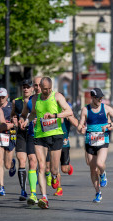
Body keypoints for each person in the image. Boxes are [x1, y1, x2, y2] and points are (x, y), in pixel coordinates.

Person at [21, 77, 73, 209]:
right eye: (45, 89)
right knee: (41, 166)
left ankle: (55, 176)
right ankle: (44, 197)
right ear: (39, 88)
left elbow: (69, 111)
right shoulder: (34, 99)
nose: (47, 91)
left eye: (49, 89)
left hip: (56, 135)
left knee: (54, 168)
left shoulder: (57, 96)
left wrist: (54, 115)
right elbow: (33, 114)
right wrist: (26, 120)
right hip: (40, 135)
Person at [77, 88, 113, 203]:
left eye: (102, 97)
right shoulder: (85, 110)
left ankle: (103, 173)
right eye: (98, 98)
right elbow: (80, 125)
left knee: (99, 163)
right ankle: (98, 193)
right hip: (90, 141)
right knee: (92, 169)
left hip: (103, 140)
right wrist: (80, 129)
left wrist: (109, 124)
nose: (101, 99)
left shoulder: (106, 108)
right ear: (92, 97)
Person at [18, 77, 42, 205]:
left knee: (48, 167)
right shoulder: (29, 100)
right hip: (32, 134)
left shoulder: (52, 99)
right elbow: (23, 114)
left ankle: (51, 174)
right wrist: (22, 119)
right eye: (35, 85)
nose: (37, 87)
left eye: (39, 85)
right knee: (32, 162)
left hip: (48, 135)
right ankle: (33, 194)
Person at [10, 79, 34, 200]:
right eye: (24, 87)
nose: (25, 89)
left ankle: (33, 190)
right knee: (22, 159)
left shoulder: (36, 100)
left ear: (32, 89)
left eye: (28, 87)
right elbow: (13, 114)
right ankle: (23, 190)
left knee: (32, 160)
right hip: (21, 133)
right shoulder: (16, 101)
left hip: (33, 134)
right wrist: (14, 119)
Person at [0, 88, 17, 196]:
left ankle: (12, 164)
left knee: (7, 165)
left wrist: (10, 125)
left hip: (10, 135)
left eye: (3, 96)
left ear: (7, 96)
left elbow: (16, 122)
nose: (1, 99)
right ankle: (1, 187)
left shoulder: (12, 107)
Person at [53, 115, 78, 196]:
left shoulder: (66, 111)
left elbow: (76, 123)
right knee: (54, 166)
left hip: (64, 143)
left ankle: (69, 167)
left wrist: (68, 116)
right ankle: (59, 188)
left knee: (64, 169)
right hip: (53, 142)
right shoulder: (51, 110)